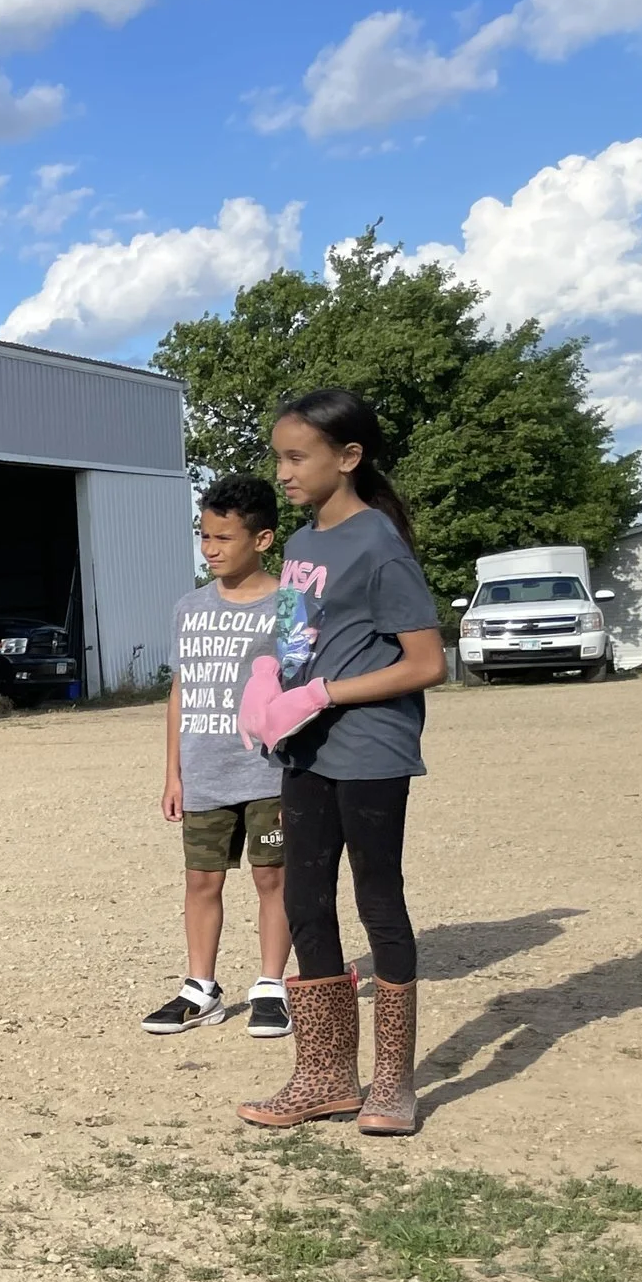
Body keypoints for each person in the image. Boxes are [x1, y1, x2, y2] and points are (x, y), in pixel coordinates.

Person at [233, 388, 445, 1137]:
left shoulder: (379, 544)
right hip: (307, 752)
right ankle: (324, 1075)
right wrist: (268, 683)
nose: (284, 472)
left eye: (298, 456)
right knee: (304, 901)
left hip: (372, 749)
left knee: (378, 901)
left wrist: (325, 691)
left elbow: (427, 662)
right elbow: (292, 642)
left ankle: (393, 1082)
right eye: (278, 456)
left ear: (348, 458)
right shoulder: (300, 544)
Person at [149, 474, 290, 1038]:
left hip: (268, 771)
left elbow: (304, 685)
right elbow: (182, 690)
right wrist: (173, 772)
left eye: (223, 538)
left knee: (272, 879)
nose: (210, 549)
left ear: (262, 539)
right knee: (201, 882)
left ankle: (271, 987)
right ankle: (199, 988)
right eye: (204, 536)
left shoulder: (290, 605)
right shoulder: (190, 607)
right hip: (204, 772)